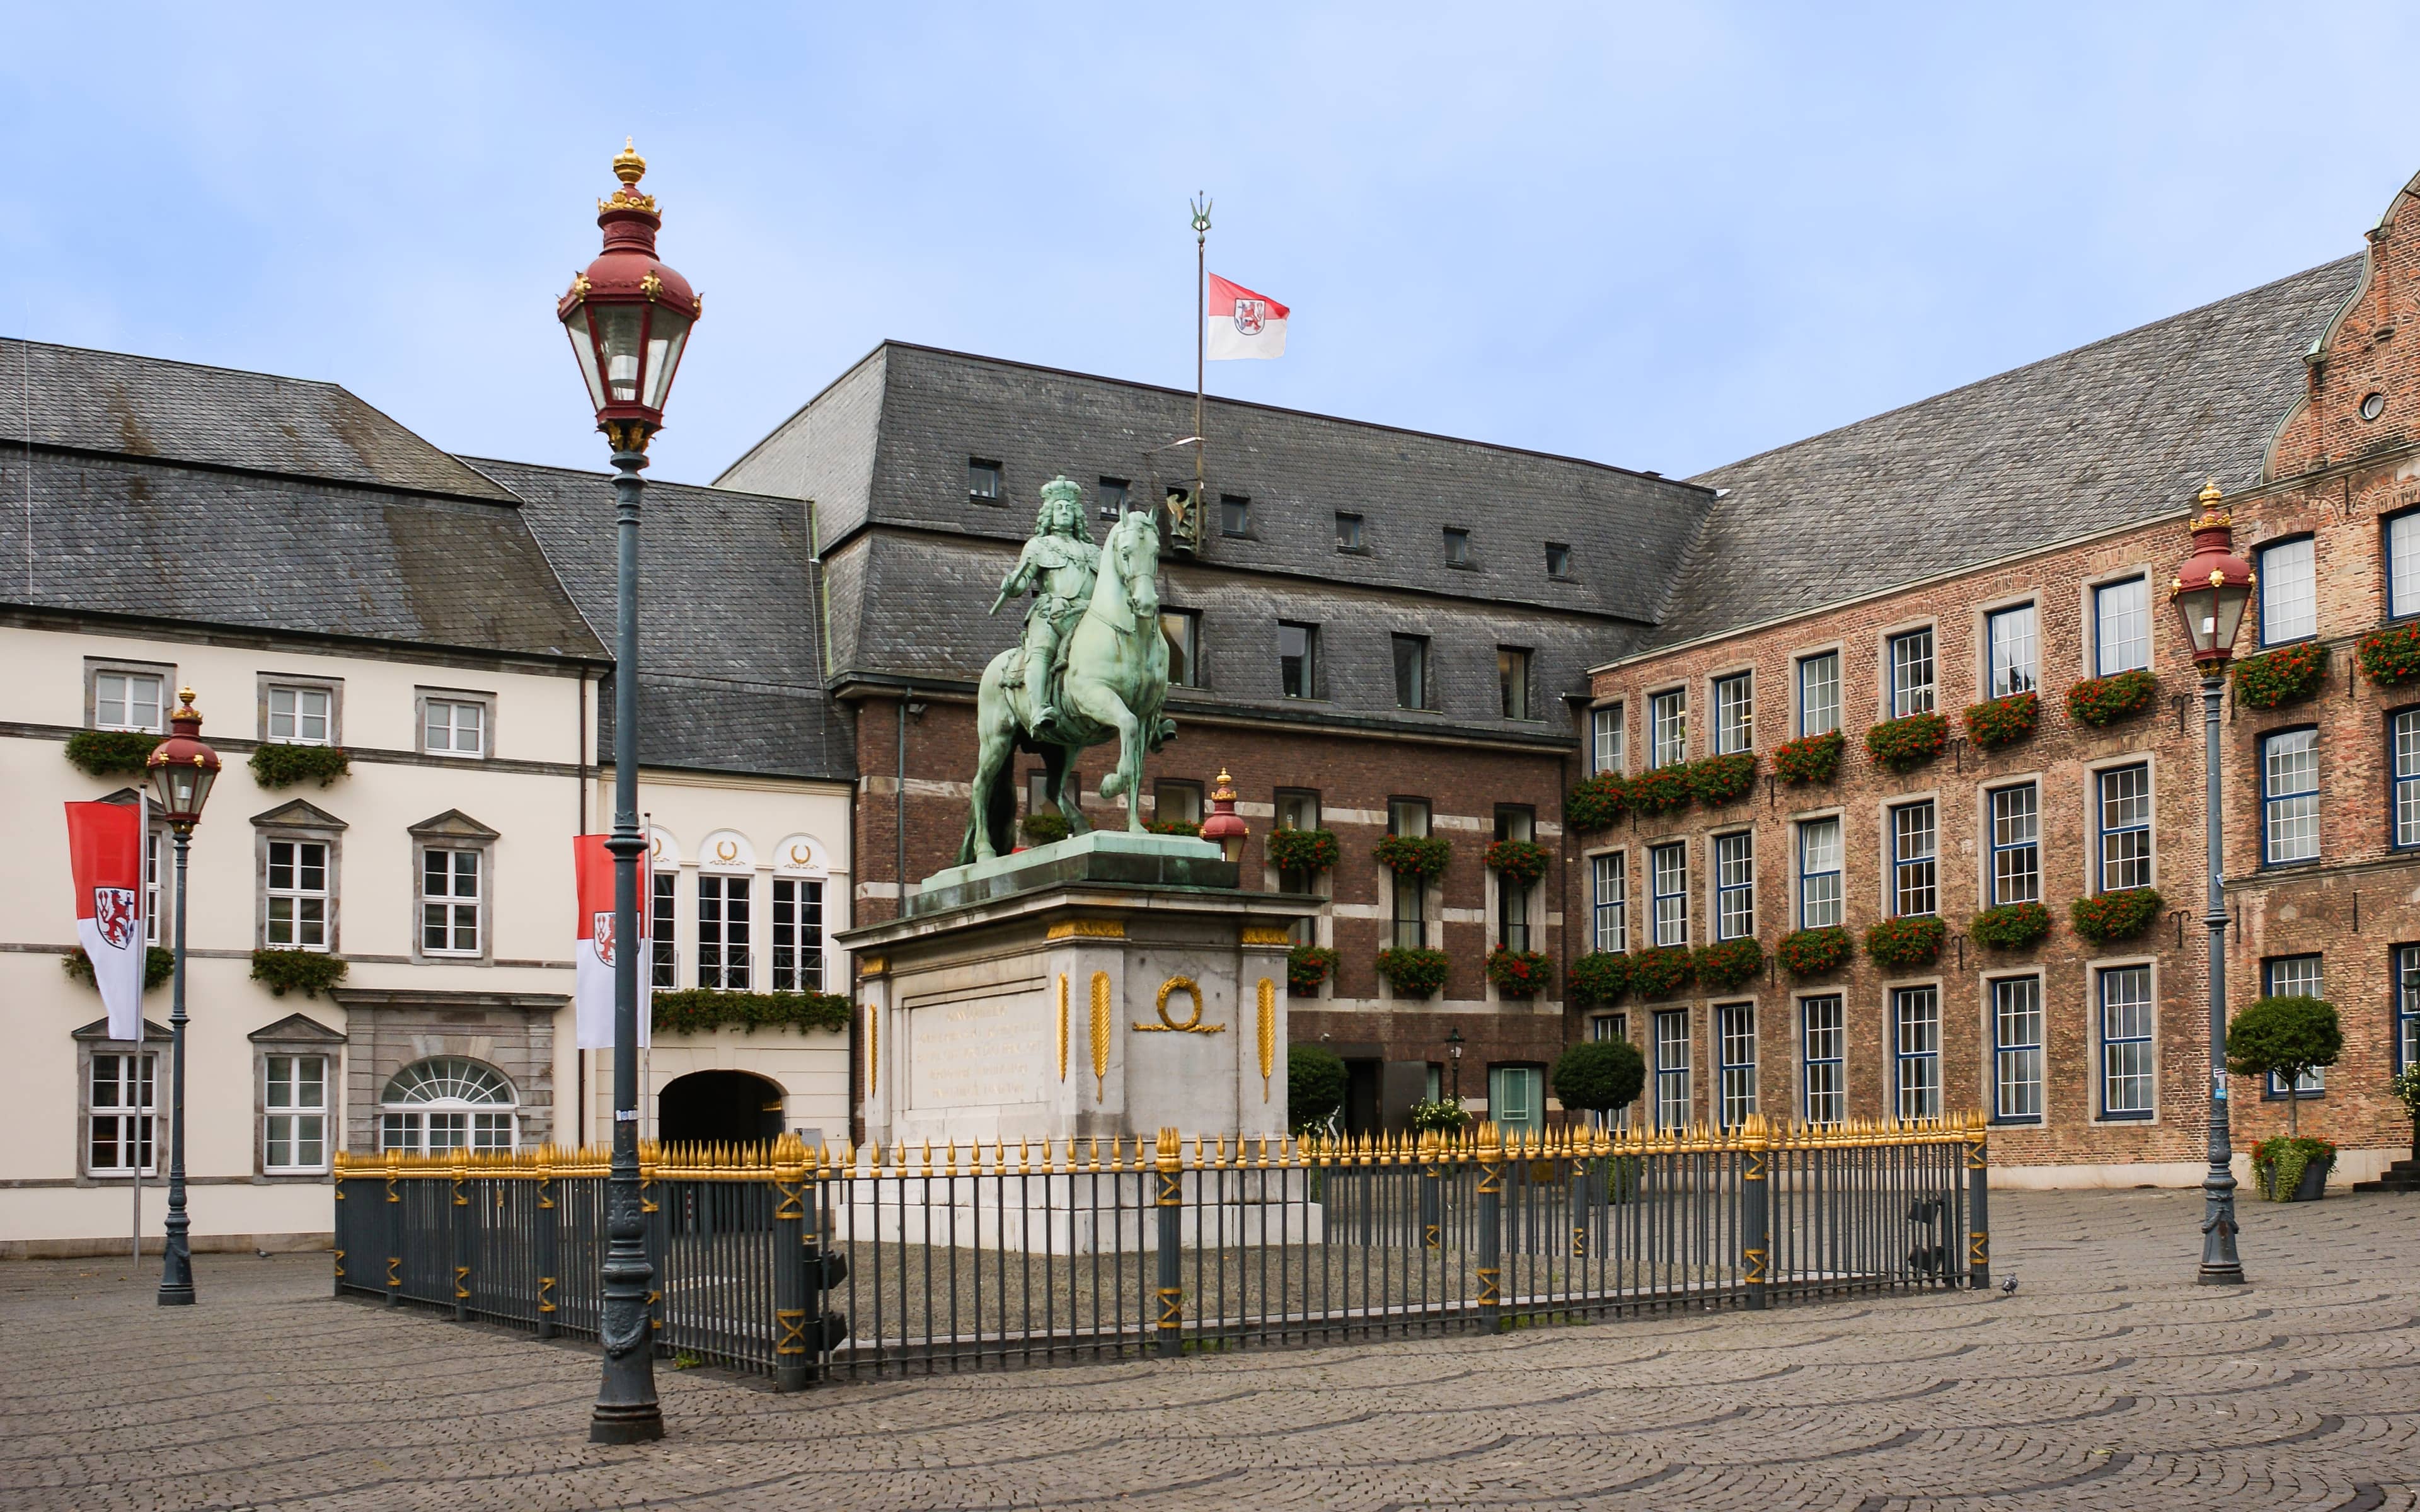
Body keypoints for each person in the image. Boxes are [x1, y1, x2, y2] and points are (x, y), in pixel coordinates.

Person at [988, 476, 1100, 741]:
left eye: (1069, 508)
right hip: (1052, 611)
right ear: (1049, 514)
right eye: (1059, 508)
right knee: (1042, 652)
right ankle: (1038, 710)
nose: (1064, 512)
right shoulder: (1039, 546)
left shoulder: (1094, 551)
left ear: (1077, 515)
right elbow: (1021, 583)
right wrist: (1011, 584)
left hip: (1089, 615)